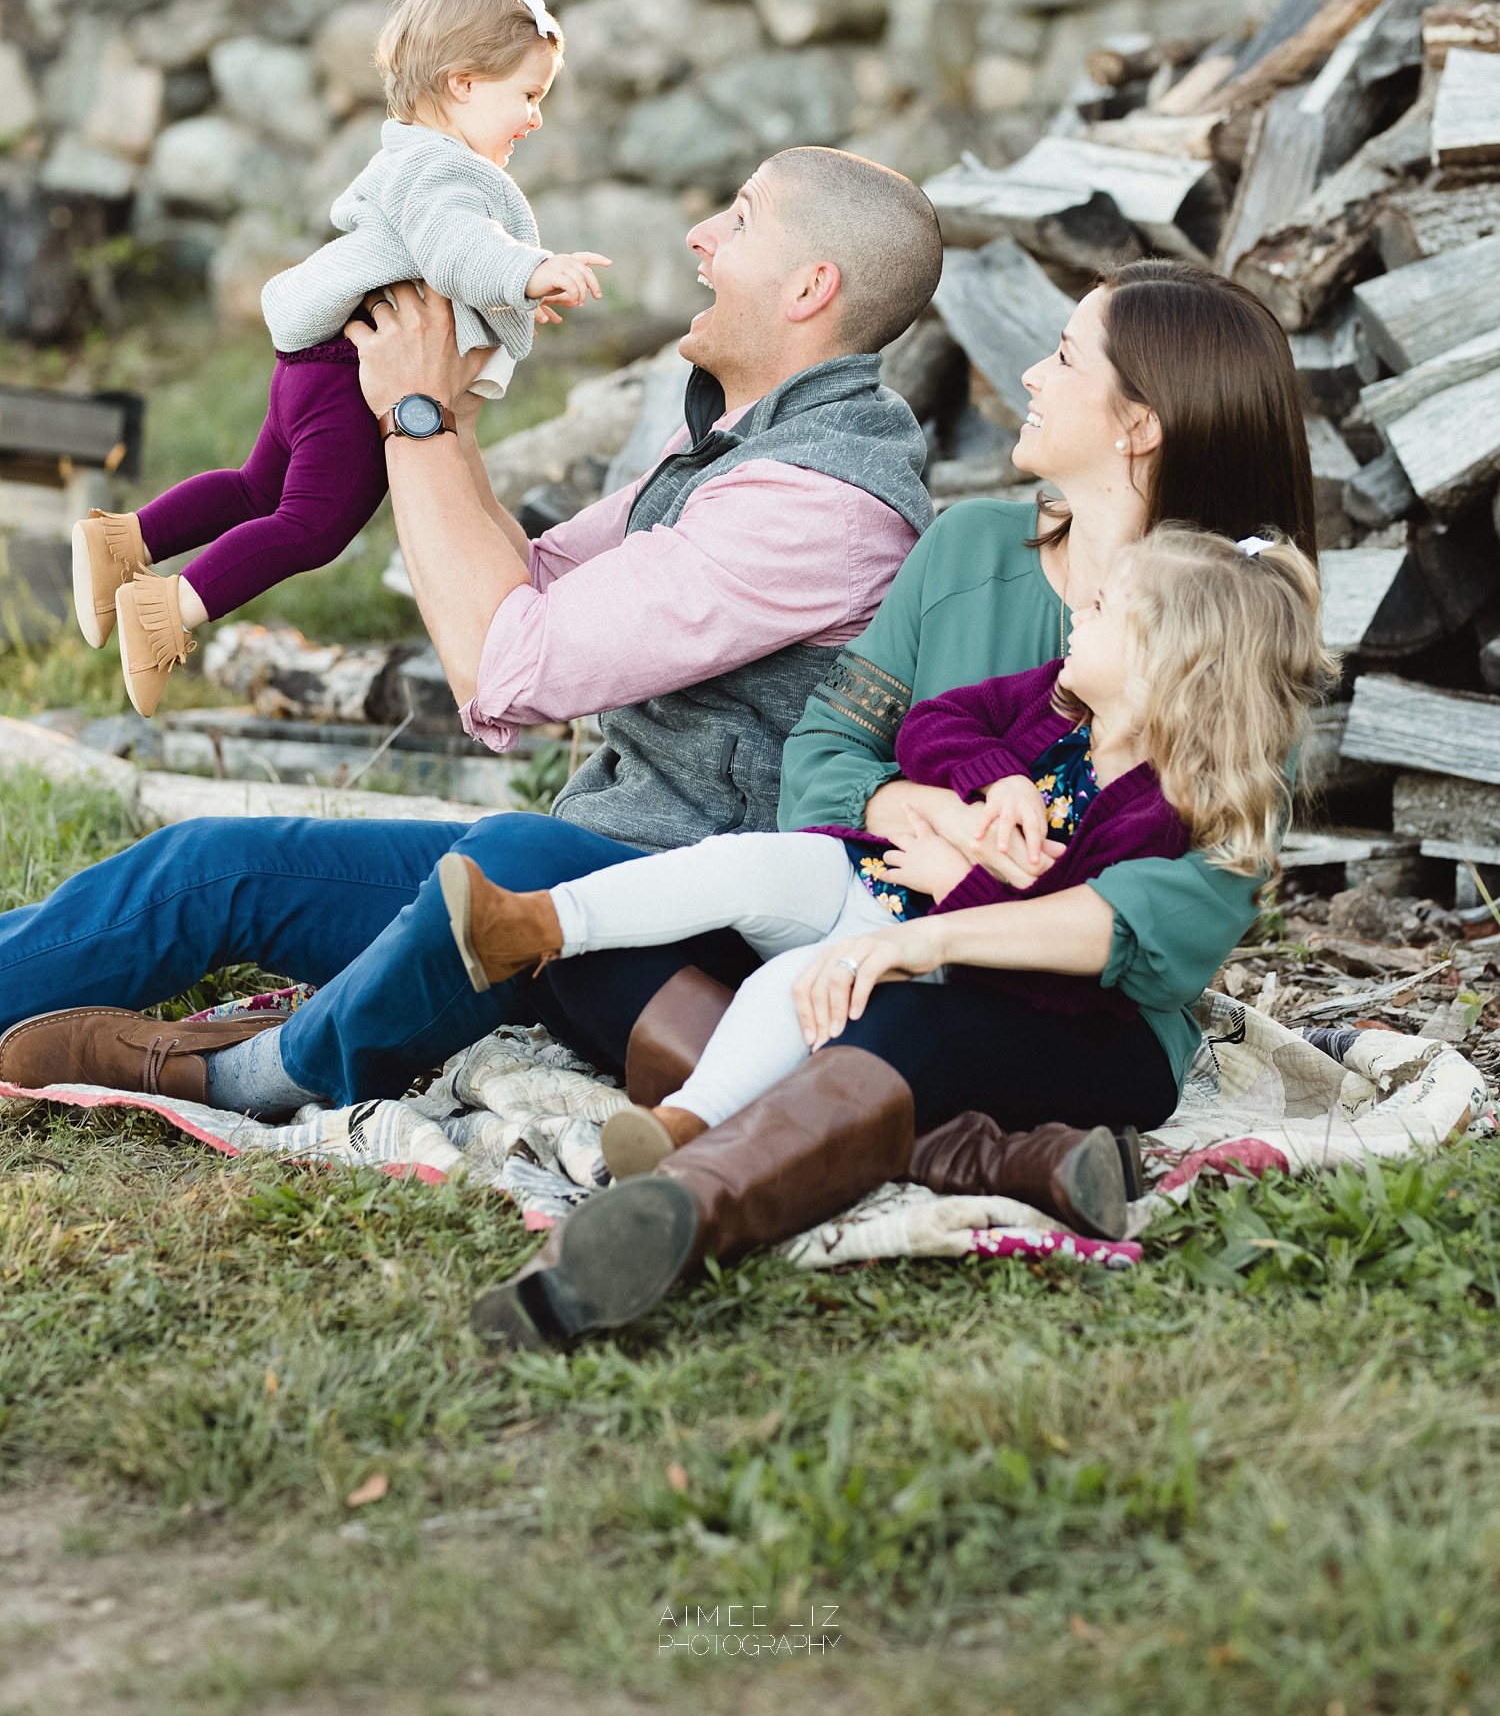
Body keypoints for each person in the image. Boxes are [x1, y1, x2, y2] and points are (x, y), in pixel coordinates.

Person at [466, 263, 1323, 1353]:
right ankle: (980, 1155)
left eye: (1064, 356)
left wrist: (923, 943)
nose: (1030, 373)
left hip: (1078, 1020)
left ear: (1139, 424)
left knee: (894, 1015)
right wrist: (918, 809)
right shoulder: (970, 550)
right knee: (601, 938)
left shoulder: (1222, 641)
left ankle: (666, 1219)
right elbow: (835, 747)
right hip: (881, 906)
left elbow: (1157, 931)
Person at [0, 147, 943, 1115]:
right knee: (216, 869)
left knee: (510, 857)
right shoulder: (754, 447)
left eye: (739, 220)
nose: (700, 237)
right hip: (583, 864)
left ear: (810, 287)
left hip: (689, 932)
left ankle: (248, 1074)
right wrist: (445, 405)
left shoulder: (820, 503)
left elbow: (510, 668)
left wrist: (414, 418)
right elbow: (537, 579)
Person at [442, 526, 1328, 1248]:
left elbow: (1058, 958)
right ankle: (539, 921)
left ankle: (687, 1124)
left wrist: (963, 883)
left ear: (1158, 666)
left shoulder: (1152, 812)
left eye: (1101, 612)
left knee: (791, 990)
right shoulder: (1058, 712)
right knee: (749, 863)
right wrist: (997, 777)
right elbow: (933, 725)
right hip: (878, 879)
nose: (1077, 617)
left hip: (958, 965)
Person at [71, 0, 609, 718]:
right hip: (357, 379)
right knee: (311, 528)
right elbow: (457, 246)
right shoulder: (447, 173)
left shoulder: (411, 157)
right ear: (462, 83)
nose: (535, 117)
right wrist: (529, 272)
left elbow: (444, 261)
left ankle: (122, 543)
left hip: (317, 365)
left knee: (258, 490)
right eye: (527, 95)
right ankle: (166, 612)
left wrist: (503, 295)